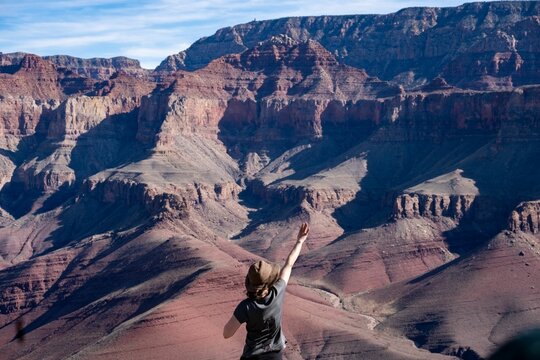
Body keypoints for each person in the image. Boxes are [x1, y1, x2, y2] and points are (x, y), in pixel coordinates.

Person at [223, 222, 310, 360]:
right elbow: (289, 264)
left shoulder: (245, 307)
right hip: (275, 356)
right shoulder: (277, 292)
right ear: (269, 281)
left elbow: (227, 334)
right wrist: (300, 241)